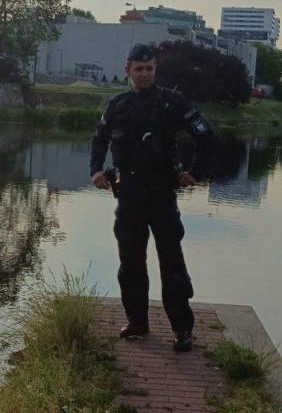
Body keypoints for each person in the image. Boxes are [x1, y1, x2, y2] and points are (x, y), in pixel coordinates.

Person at [89, 43, 214, 352]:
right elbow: (99, 139)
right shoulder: (117, 104)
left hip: (162, 193)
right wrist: (95, 171)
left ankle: (182, 329)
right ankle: (137, 322)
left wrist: (195, 173)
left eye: (150, 68)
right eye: (139, 69)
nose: (145, 74)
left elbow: (206, 136)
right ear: (128, 70)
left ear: (155, 69)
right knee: (130, 263)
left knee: (171, 263)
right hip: (128, 193)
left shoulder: (173, 101)